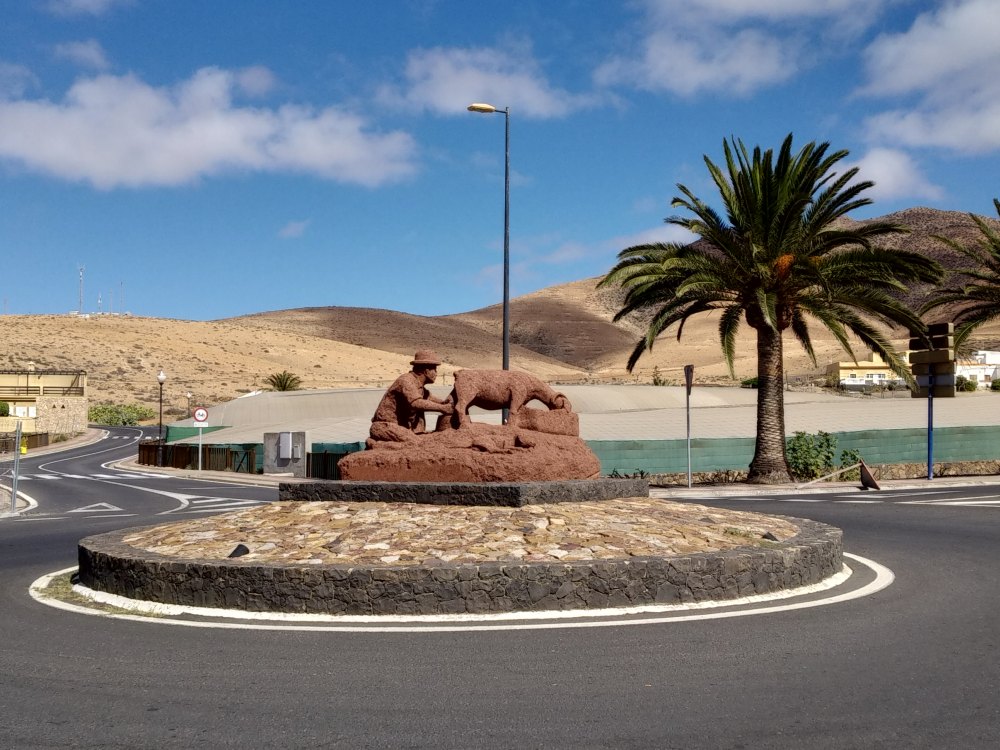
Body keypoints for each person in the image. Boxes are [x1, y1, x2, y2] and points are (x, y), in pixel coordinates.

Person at [369, 350, 454, 443]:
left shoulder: (419, 386)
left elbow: (429, 398)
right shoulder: (406, 380)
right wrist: (443, 408)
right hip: (385, 426)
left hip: (401, 428)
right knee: (415, 443)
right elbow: (416, 402)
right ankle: (379, 445)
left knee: (424, 439)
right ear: (426, 371)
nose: (436, 373)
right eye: (434, 369)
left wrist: (445, 403)